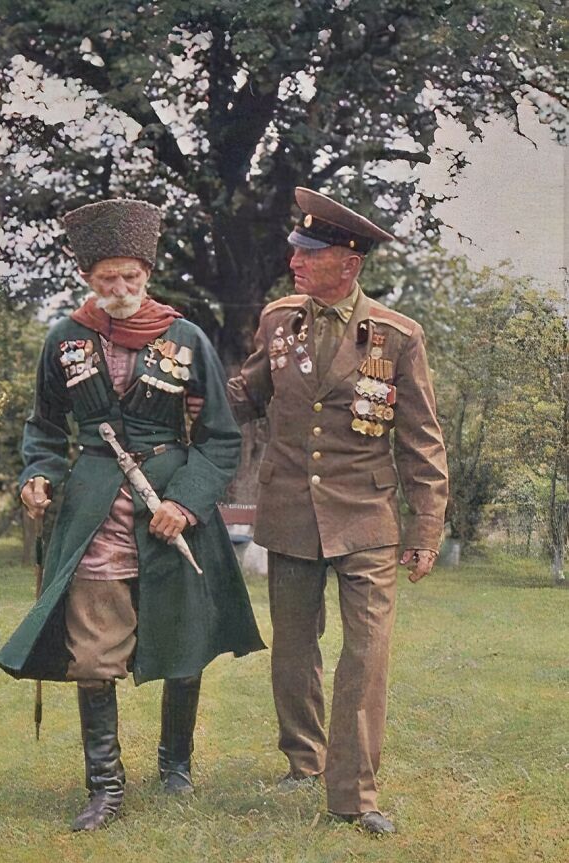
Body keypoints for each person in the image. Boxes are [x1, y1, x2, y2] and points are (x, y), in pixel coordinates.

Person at [0, 198, 264, 832]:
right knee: (93, 649)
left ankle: (176, 766)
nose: (119, 289)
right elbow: (43, 430)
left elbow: (222, 440)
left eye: (131, 277)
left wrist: (185, 502)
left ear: (148, 270)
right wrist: (38, 475)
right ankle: (105, 788)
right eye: (106, 277)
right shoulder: (63, 339)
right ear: (88, 275)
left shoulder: (186, 336)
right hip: (92, 512)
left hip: (170, 510)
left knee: (184, 637)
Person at [227, 187, 448, 835]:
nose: (295, 261)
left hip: (367, 521)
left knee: (367, 652)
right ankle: (303, 759)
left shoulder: (397, 337)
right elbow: (246, 395)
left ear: (347, 263)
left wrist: (426, 528)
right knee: (294, 650)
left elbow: (422, 441)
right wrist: (191, 393)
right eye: (297, 251)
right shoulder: (278, 320)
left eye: (309, 253)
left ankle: (353, 792)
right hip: (292, 513)